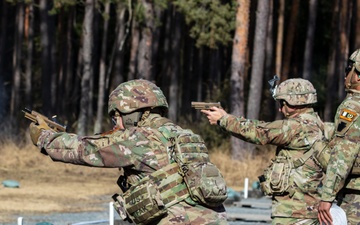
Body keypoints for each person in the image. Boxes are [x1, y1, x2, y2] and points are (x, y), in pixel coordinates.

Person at [28, 79, 228, 225]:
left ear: (132, 114)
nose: (117, 124)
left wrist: (45, 138)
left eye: (117, 117)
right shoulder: (188, 136)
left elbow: (84, 150)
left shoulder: (139, 138)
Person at [201, 78, 326, 225]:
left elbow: (260, 132)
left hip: (293, 211)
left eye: (282, 103)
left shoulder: (296, 127)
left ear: (293, 104)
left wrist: (224, 119)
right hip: (308, 208)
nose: (280, 109)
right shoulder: (317, 123)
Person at [318, 49, 360, 225]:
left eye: (348, 69)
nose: (345, 75)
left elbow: (343, 154)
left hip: (354, 197)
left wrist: (327, 197)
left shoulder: (353, 106)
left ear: (358, 75)